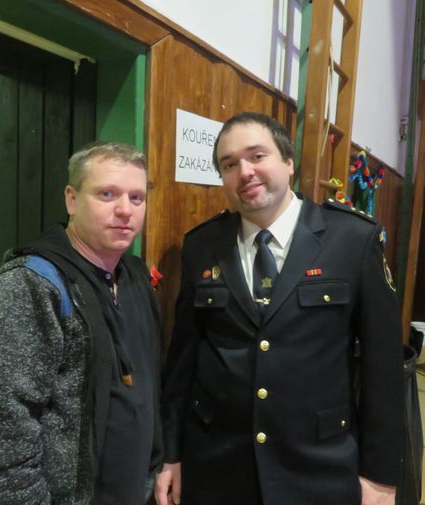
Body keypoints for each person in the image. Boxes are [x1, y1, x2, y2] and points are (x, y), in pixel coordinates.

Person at [155, 112, 404, 505]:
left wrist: (381, 476)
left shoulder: (353, 240)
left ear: (288, 162)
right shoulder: (202, 245)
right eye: (229, 164)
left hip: (317, 464)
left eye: (257, 156)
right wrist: (171, 454)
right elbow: (183, 358)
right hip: (217, 462)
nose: (245, 172)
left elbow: (383, 368)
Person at [0, 142, 163, 505]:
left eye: (136, 197)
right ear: (71, 199)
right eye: (107, 194)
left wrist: (159, 461)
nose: (125, 210)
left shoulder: (134, 277)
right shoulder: (26, 288)